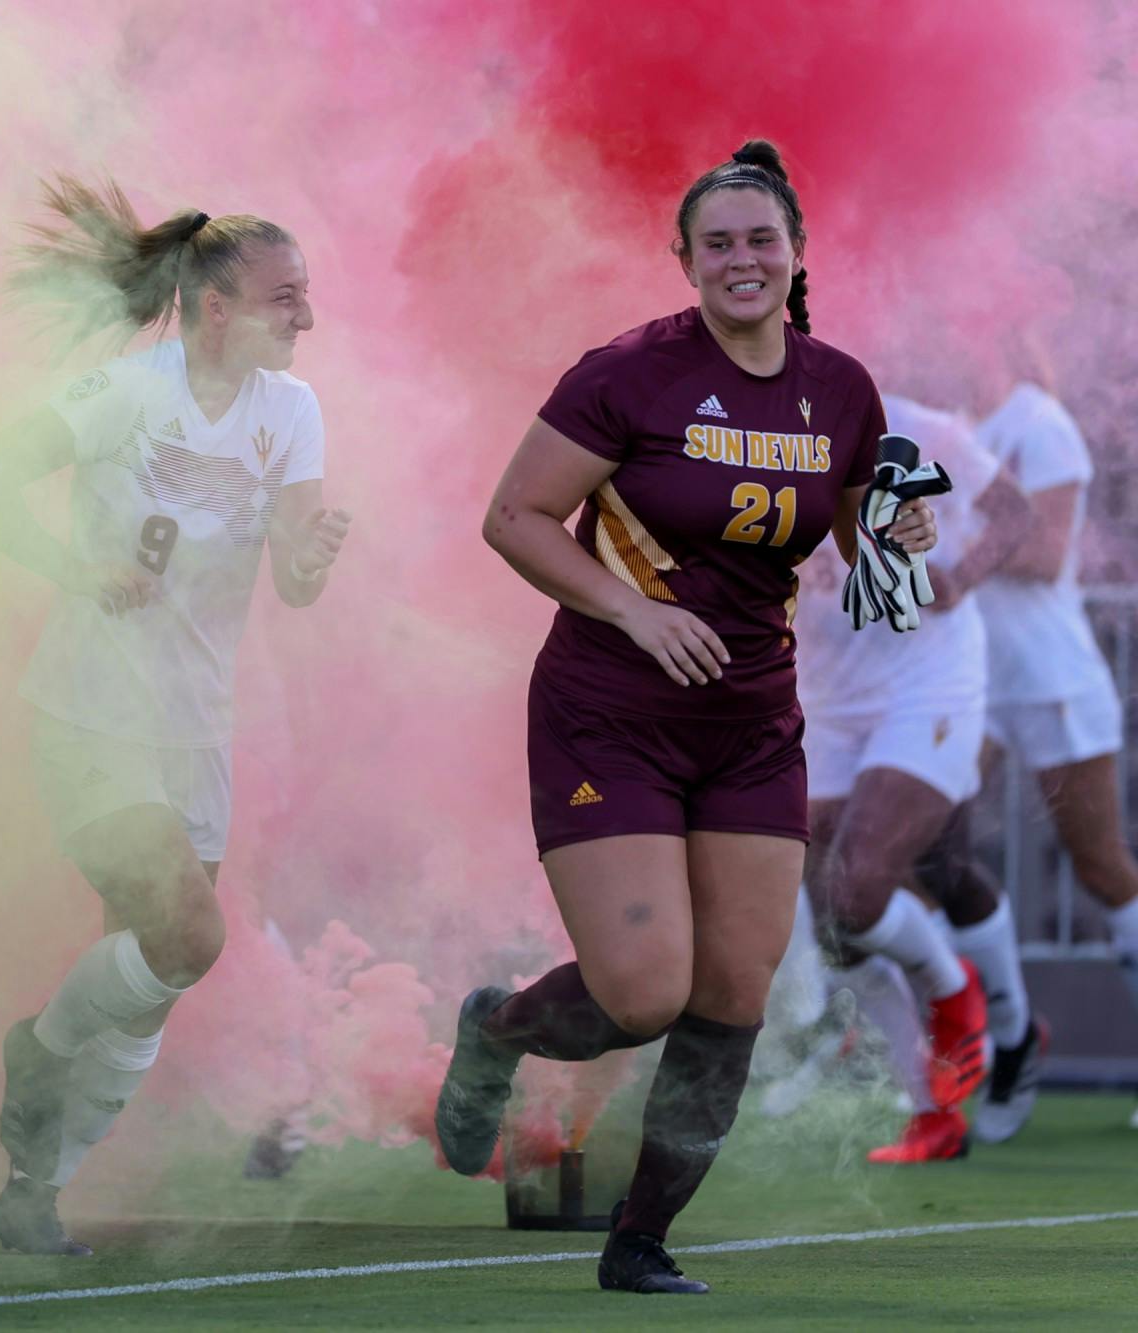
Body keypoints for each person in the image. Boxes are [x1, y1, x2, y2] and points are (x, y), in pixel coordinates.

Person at [434, 140, 938, 1294]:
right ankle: (495, 1035)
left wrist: (904, 543)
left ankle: (638, 1241)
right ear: (684, 260)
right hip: (608, 710)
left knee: (729, 995)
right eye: (717, 244)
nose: (741, 260)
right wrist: (631, 612)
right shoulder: (628, 373)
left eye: (761, 239)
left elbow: (869, 564)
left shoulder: (839, 388)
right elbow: (514, 516)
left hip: (752, 720)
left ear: (796, 253)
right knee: (643, 991)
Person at [0, 178, 347, 1255]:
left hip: (194, 726)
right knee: (186, 933)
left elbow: (297, 578)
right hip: (92, 712)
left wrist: (306, 563)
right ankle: (35, 1048)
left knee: (156, 973)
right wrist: (70, 565)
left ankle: (37, 1190)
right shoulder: (127, 390)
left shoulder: (290, 410)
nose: (304, 317)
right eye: (285, 298)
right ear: (216, 309)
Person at [795, 392, 1029, 1161]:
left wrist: (958, 577)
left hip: (925, 681)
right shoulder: (732, 427)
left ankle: (959, 992)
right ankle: (935, 1110)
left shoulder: (918, 424)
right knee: (837, 915)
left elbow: (1015, 515)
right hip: (824, 696)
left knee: (862, 883)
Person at [972, 370, 1138, 1127]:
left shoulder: (1039, 422)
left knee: (1102, 866)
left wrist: (933, 535)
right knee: (911, 849)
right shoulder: (937, 425)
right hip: (966, 682)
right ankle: (1007, 1034)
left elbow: (1043, 552)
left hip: (1051, 680)